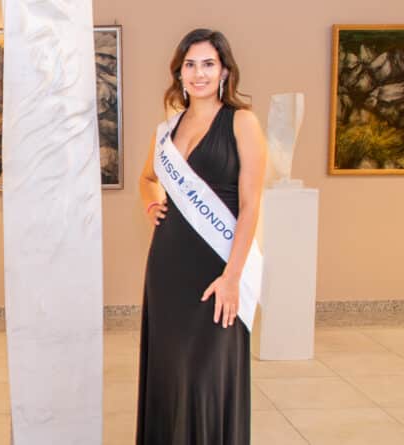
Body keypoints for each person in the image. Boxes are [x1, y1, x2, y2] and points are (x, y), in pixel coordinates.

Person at [136, 28, 266, 444]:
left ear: (225, 70)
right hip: (167, 266)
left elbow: (250, 206)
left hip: (217, 268)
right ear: (180, 73)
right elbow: (147, 178)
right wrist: (151, 204)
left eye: (208, 64)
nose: (199, 73)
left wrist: (232, 277)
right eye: (190, 65)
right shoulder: (167, 129)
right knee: (171, 371)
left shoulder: (242, 122)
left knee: (207, 374)